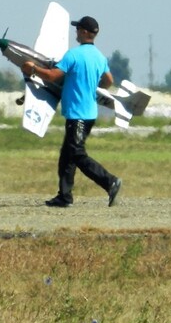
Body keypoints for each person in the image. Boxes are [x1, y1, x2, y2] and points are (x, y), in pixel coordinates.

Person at [21, 15, 122, 208]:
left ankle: (110, 182)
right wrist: (89, 82)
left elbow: (51, 76)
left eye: (77, 29)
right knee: (66, 155)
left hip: (78, 115)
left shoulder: (73, 55)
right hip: (89, 113)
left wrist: (32, 69)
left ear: (84, 32)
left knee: (77, 154)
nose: (75, 31)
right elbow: (108, 81)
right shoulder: (99, 57)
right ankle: (64, 196)